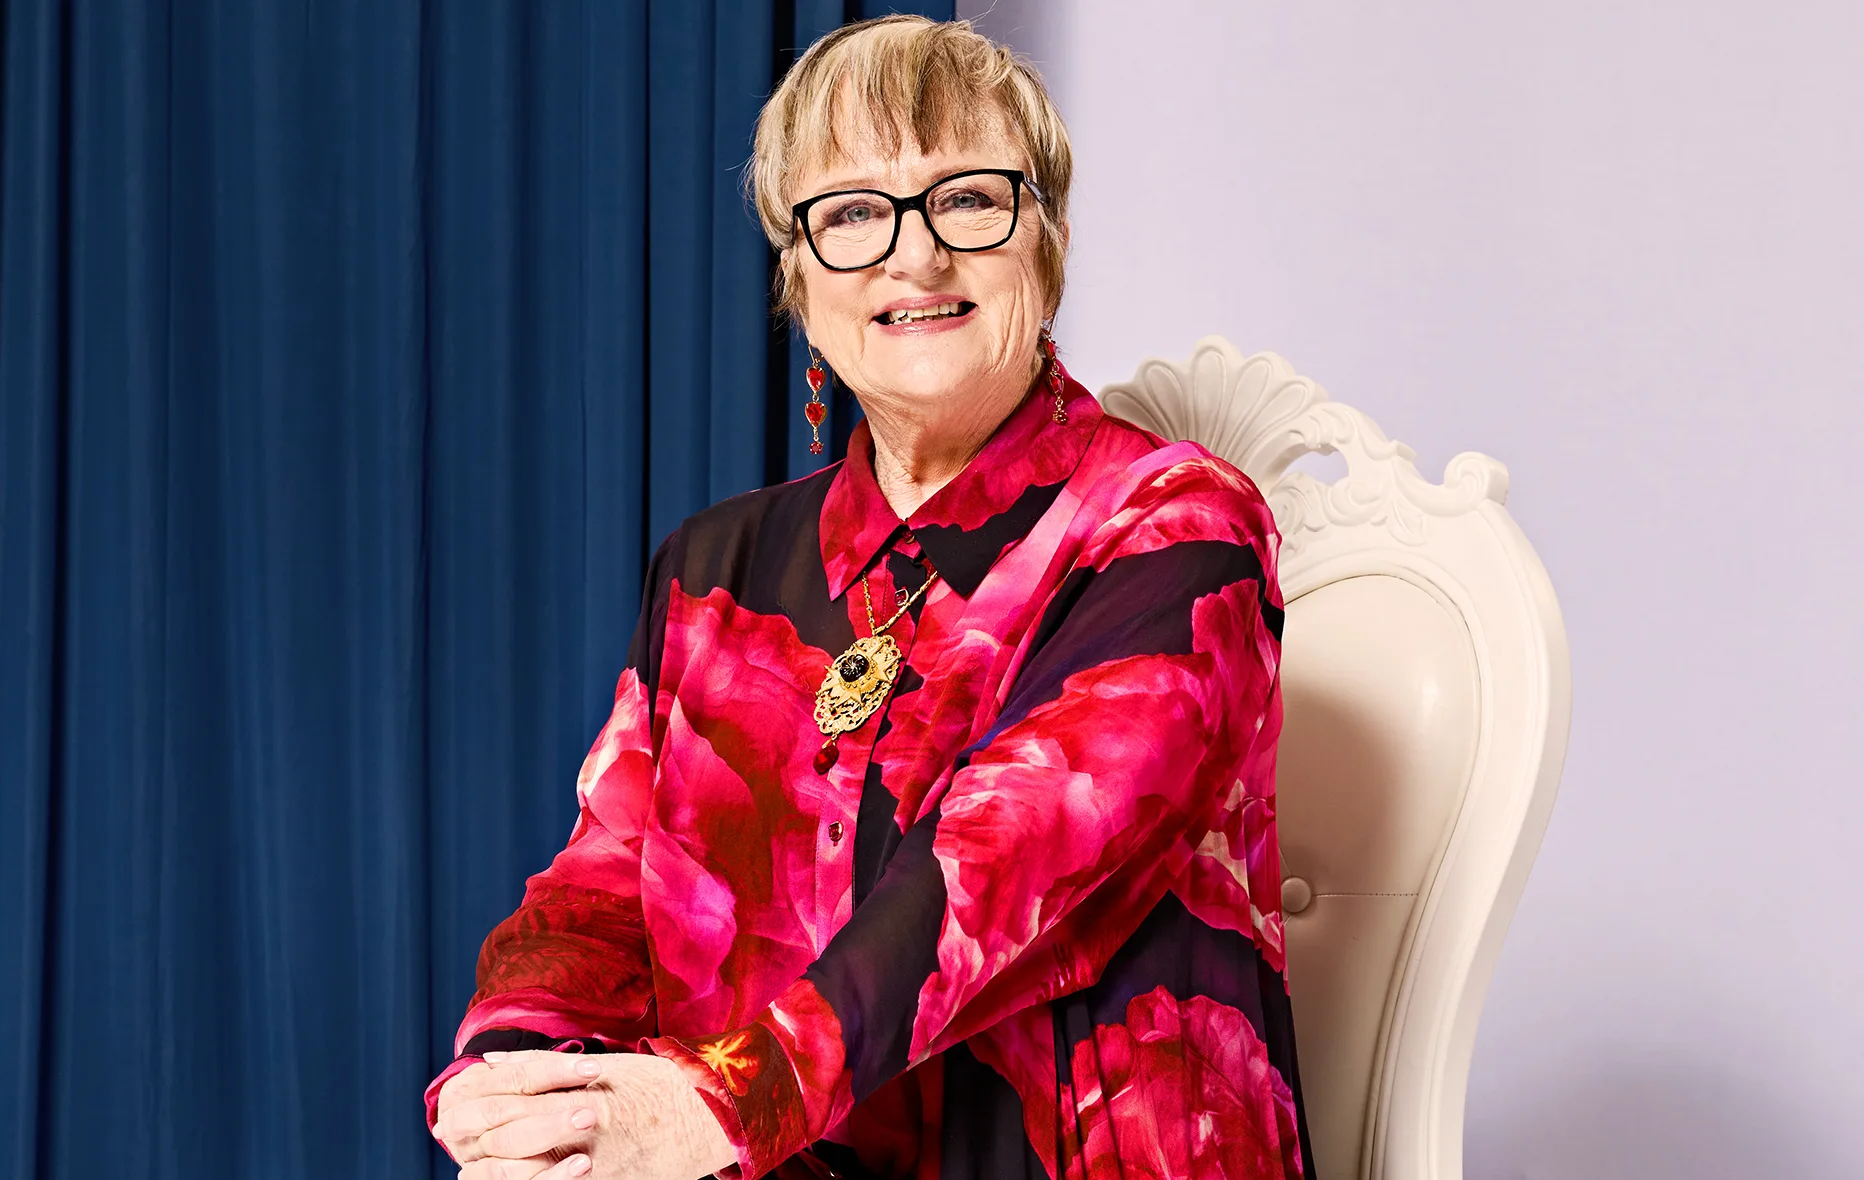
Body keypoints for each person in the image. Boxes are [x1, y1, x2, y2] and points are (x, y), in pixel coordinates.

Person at [426, 15, 1312, 1180]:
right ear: (799, 278)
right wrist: (514, 1075)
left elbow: (1006, 862)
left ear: (1045, 243)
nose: (916, 257)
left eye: (969, 200)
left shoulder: (1176, 525)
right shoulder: (716, 563)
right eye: (853, 214)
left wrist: (719, 1107)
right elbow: (604, 884)